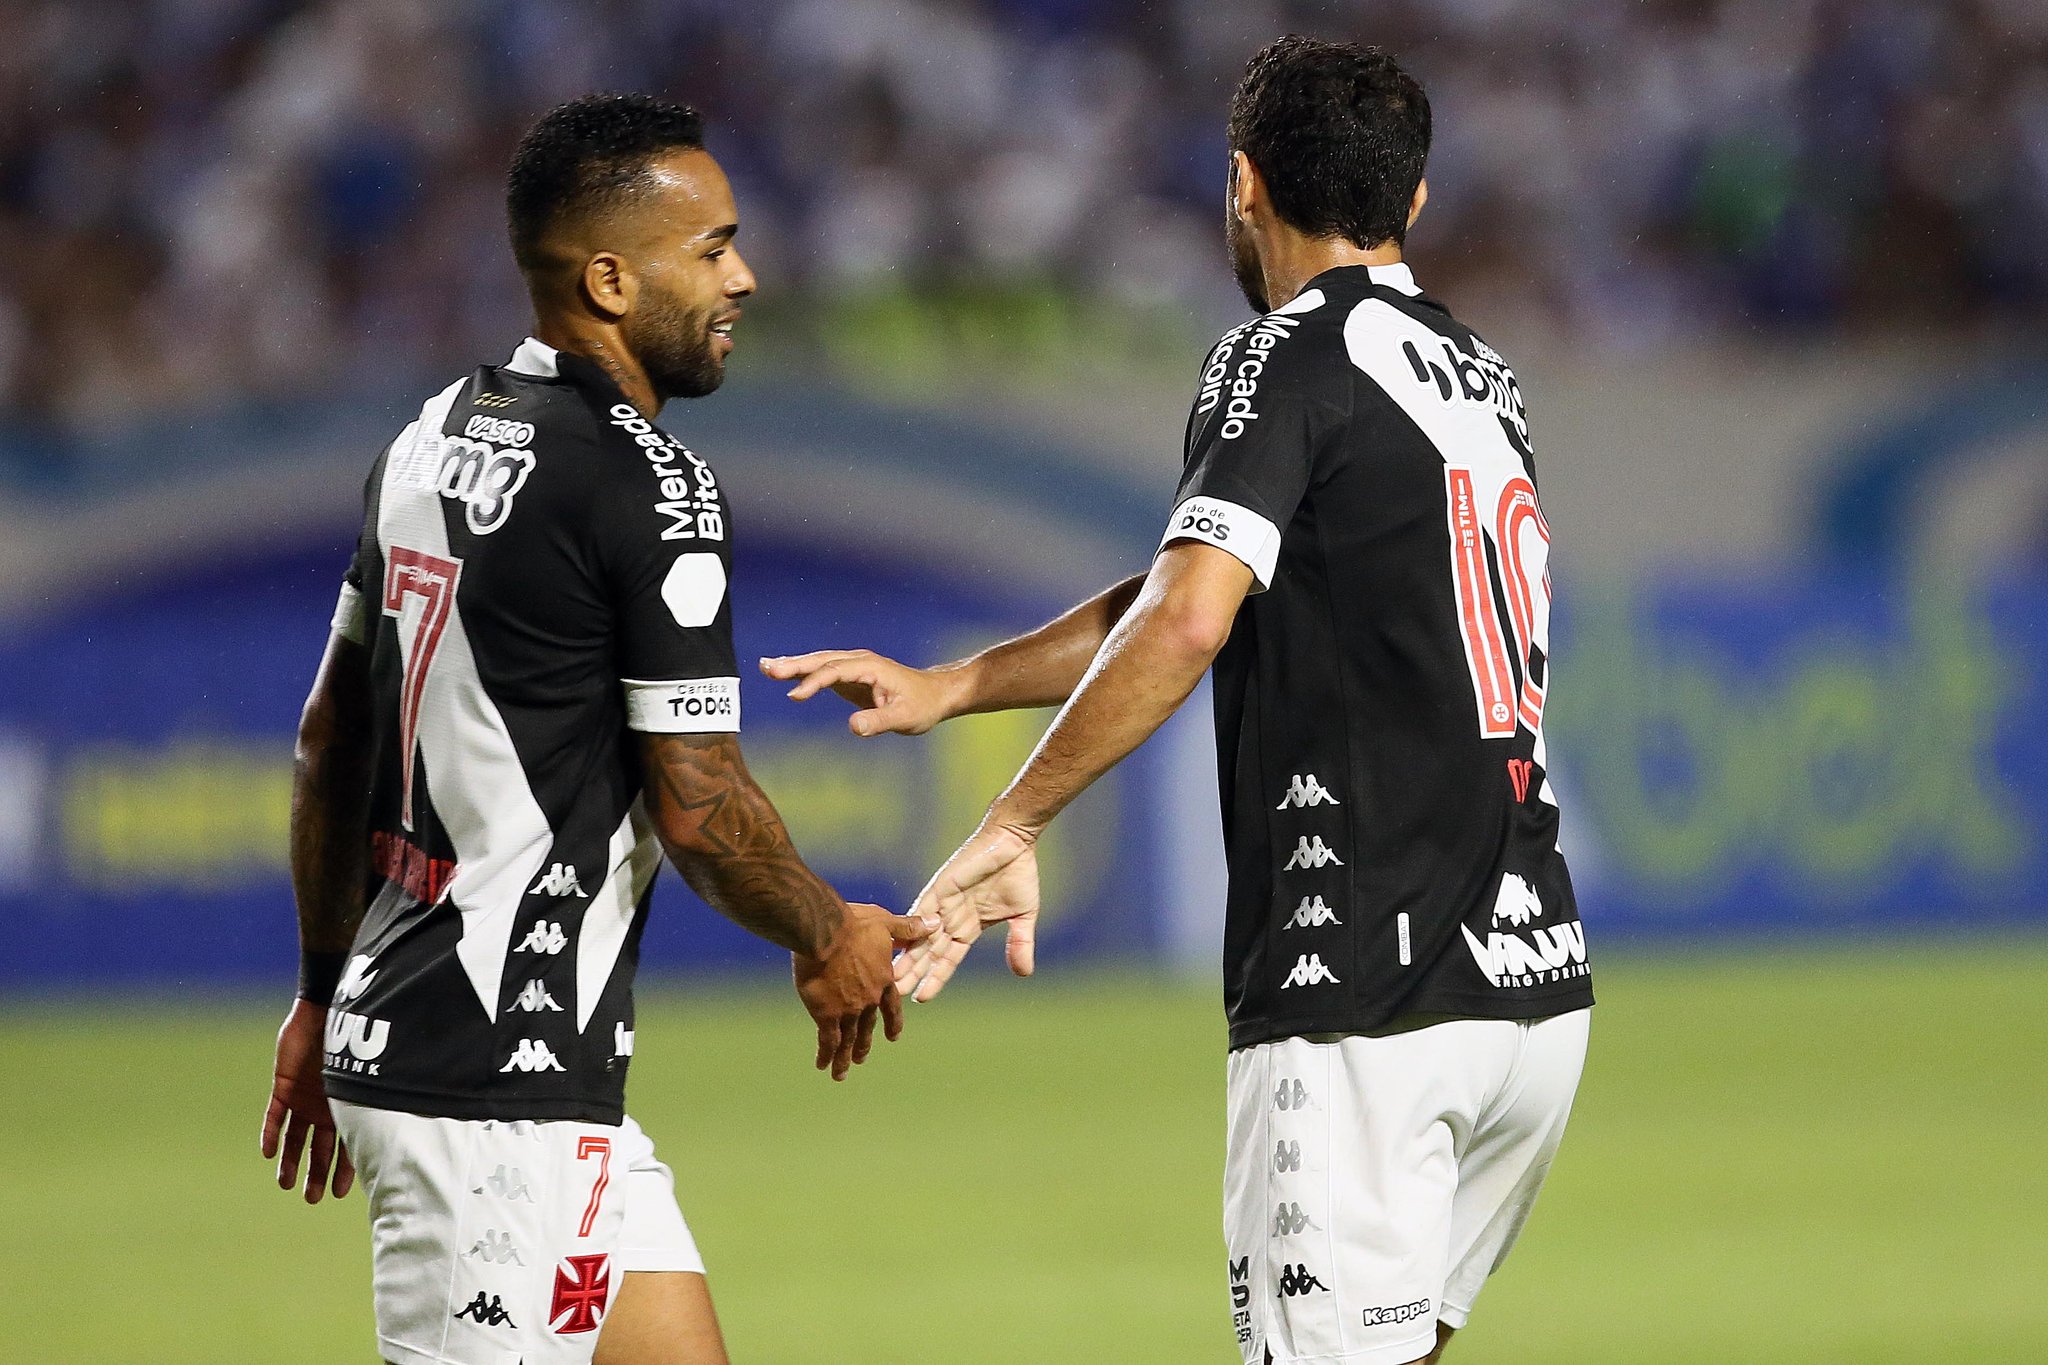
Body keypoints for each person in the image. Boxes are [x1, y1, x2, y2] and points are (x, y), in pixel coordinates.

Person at [763, 37, 1592, 1365]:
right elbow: (1202, 582)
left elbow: (1192, 614)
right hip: (1530, 988)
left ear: (1244, 184)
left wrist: (1016, 820)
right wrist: (963, 684)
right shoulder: (1477, 374)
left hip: (1361, 993)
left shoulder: (1278, 356)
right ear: (1415, 201)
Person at [258, 93, 930, 1365]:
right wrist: (825, 928)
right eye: (713, 247)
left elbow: (327, 741)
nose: (744, 276)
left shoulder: (432, 435)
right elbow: (700, 804)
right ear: (611, 279)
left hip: (518, 1080)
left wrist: (319, 993)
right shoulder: (647, 485)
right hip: (487, 1096)